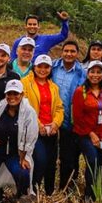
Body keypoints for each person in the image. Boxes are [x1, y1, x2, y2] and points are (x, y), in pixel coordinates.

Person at [72, 61, 102, 201]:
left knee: (101, 165)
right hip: (85, 134)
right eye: (92, 72)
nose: (95, 75)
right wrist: (91, 134)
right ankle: (89, 196)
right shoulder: (80, 91)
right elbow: (77, 117)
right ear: (87, 73)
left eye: (98, 72)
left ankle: (98, 192)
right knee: (93, 161)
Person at [22, 54, 64, 195]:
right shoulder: (25, 83)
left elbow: (59, 108)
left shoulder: (53, 87)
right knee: (40, 160)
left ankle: (49, 192)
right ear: (34, 67)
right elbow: (26, 106)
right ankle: (33, 189)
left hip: (50, 129)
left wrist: (55, 124)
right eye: (40, 66)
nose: (43, 70)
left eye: (46, 67)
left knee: (51, 162)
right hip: (34, 129)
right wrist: (38, 124)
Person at [51, 39, 86, 192]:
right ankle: (48, 188)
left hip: (70, 120)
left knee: (68, 157)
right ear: (61, 52)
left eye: (72, 51)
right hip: (50, 118)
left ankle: (66, 189)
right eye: (66, 51)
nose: (69, 54)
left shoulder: (82, 73)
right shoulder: (52, 67)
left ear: (77, 54)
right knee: (50, 156)